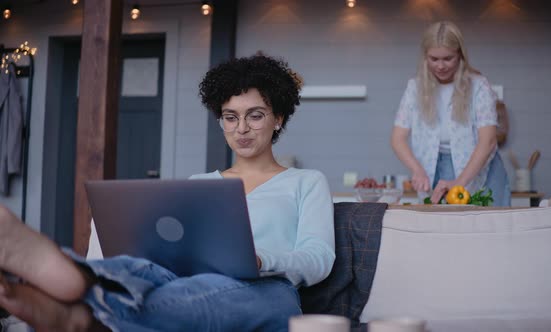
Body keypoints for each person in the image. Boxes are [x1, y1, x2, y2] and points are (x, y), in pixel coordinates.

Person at [0, 54, 336, 331]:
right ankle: (76, 274)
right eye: (230, 118)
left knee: (230, 294)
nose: (241, 129)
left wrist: (263, 260)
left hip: (267, 288)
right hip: (187, 278)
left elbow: (318, 257)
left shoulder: (306, 181)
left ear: (278, 118)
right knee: (146, 269)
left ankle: (83, 310)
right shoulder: (199, 183)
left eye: (255, 116)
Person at [390, 21, 510, 206]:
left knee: (490, 228)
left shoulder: (479, 86)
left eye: (448, 58)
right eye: (434, 59)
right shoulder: (414, 88)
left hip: (482, 169)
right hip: (435, 167)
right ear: (425, 57)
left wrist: (459, 183)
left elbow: (488, 141)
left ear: (460, 55)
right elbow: (397, 139)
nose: (440, 66)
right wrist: (417, 170)